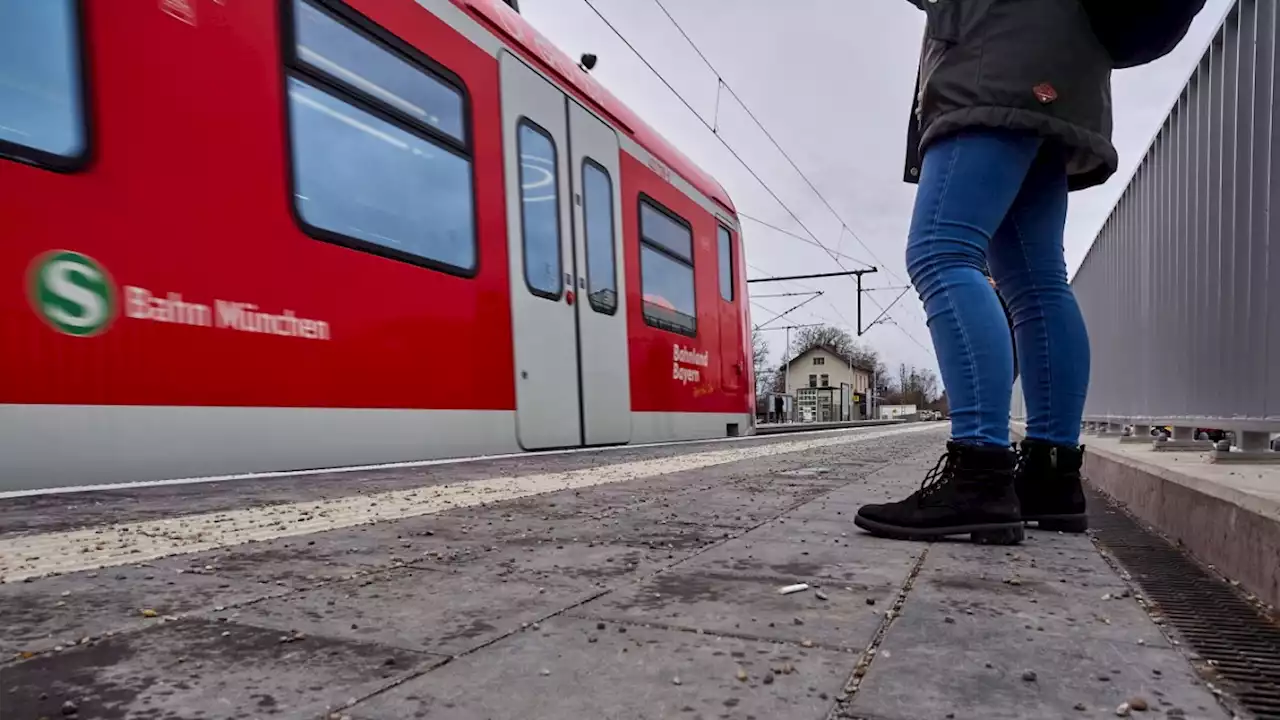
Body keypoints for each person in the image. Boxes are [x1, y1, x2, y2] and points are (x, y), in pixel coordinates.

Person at [854, 0, 1116, 545]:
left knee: (940, 251)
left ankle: (980, 472)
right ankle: (1051, 478)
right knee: (1036, 279)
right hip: (1063, 63)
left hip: (995, 60)